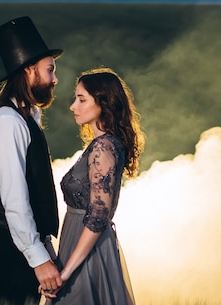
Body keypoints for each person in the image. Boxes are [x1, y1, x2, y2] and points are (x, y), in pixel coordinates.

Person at [0, 16, 64, 305]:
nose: (55, 79)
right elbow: (14, 199)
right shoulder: (7, 122)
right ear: (29, 71)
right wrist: (38, 259)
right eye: (49, 70)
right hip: (8, 245)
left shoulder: (26, 119)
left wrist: (43, 249)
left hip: (20, 245)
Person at [42, 67, 145, 305]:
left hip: (87, 249)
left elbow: (99, 214)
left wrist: (66, 272)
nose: (73, 106)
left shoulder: (103, 147)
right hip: (80, 243)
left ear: (103, 103)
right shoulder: (104, 145)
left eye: (81, 99)